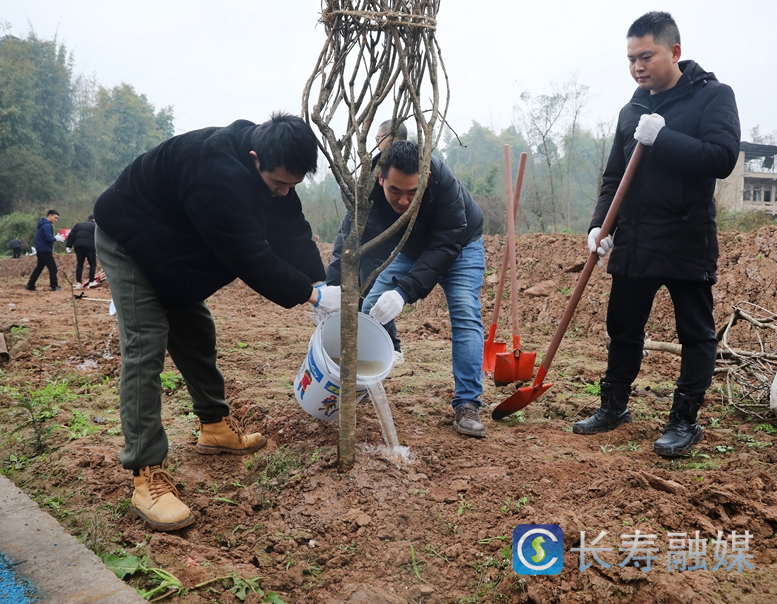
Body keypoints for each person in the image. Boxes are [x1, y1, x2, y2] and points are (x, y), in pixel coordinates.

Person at [93, 113, 341, 531]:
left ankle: (214, 427)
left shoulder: (274, 172)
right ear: (255, 157)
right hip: (130, 239)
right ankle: (145, 474)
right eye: (278, 183)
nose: (284, 192)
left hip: (172, 245)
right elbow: (248, 255)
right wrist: (310, 295)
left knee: (196, 333)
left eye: (292, 185)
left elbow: (290, 230)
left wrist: (318, 281)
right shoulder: (213, 172)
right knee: (145, 346)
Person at [572, 12, 740, 457]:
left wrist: (663, 138)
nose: (637, 67)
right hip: (637, 238)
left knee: (695, 333)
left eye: (646, 56)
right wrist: (600, 225)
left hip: (687, 238)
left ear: (674, 52)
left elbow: (722, 157)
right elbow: (614, 177)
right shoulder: (632, 110)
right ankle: (614, 406)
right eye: (631, 59)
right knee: (623, 327)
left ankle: (685, 421)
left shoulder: (713, 96)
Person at [344, 139, 487, 438]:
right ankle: (359, 385)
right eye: (395, 191)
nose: (403, 201)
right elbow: (353, 235)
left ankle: (467, 404)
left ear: (426, 178)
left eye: (413, 192)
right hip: (410, 248)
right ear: (381, 179)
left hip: (461, 246)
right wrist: (334, 286)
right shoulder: (368, 184)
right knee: (370, 308)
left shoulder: (444, 184)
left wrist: (404, 292)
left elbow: (445, 246)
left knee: (465, 314)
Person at [326, 119, 408, 364]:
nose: (376, 145)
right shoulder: (372, 170)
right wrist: (329, 286)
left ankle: (392, 347)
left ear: (390, 139)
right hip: (362, 233)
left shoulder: (405, 171)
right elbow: (352, 219)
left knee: (374, 290)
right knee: (348, 277)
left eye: (378, 139)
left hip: (381, 242)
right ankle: (343, 336)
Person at [25, 210, 65, 291]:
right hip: (45, 250)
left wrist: (54, 238)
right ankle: (54, 286)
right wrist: (55, 238)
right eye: (55, 218)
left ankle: (30, 284)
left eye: (57, 218)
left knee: (39, 268)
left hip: (40, 250)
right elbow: (48, 238)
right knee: (53, 268)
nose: (56, 220)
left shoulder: (42, 224)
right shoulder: (47, 225)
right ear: (50, 215)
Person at [65, 214, 97, 288]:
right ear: (94, 219)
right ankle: (91, 281)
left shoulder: (78, 225)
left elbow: (71, 235)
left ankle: (79, 283)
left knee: (80, 264)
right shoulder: (94, 226)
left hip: (78, 246)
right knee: (92, 264)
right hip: (90, 247)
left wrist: (68, 246)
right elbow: (98, 238)